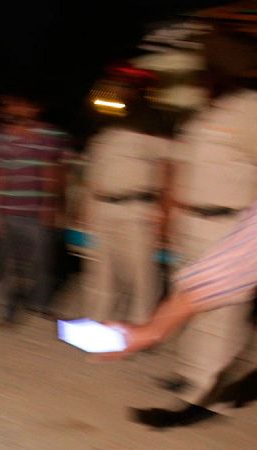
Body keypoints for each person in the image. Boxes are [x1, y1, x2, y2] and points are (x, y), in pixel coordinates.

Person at [128, 29, 257, 428]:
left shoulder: (250, 109)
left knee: (218, 315)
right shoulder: (207, 113)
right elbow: (183, 169)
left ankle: (203, 398)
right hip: (192, 222)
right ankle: (190, 375)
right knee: (191, 305)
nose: (202, 74)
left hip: (228, 225)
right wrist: (168, 216)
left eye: (208, 67)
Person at [82, 69, 171, 325]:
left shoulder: (153, 126)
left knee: (141, 274)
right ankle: (96, 321)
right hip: (103, 206)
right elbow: (92, 175)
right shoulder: (103, 130)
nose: (120, 92)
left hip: (136, 207)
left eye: (126, 88)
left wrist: (165, 213)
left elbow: (167, 170)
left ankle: (141, 327)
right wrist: (87, 210)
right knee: (100, 271)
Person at [0, 95, 68, 323]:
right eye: (12, 104)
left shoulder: (49, 136)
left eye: (22, 104)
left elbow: (54, 171)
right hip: (3, 211)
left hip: (35, 212)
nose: (16, 109)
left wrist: (51, 205)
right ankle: (6, 309)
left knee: (41, 262)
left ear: (34, 108)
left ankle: (39, 304)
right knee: (4, 263)